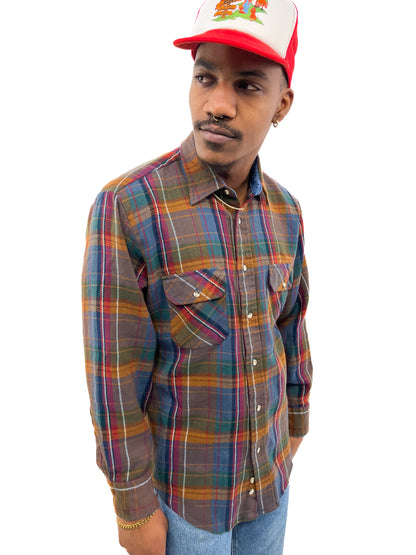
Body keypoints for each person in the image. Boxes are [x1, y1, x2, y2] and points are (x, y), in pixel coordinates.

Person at [82, 1, 313, 553]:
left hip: (271, 486)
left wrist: (297, 424)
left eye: (248, 86)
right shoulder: (129, 207)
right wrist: (134, 509)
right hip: (187, 502)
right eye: (205, 77)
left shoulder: (286, 210)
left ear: (282, 104)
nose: (218, 105)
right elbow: (114, 377)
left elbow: (292, 327)